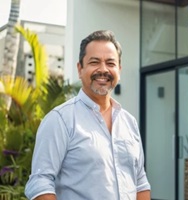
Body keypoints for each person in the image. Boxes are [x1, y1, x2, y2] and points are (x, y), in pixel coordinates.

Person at [25, 30, 151, 200]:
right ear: (80, 68)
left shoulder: (129, 122)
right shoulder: (60, 120)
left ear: (119, 70)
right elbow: (40, 183)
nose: (103, 69)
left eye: (110, 63)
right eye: (94, 62)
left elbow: (140, 181)